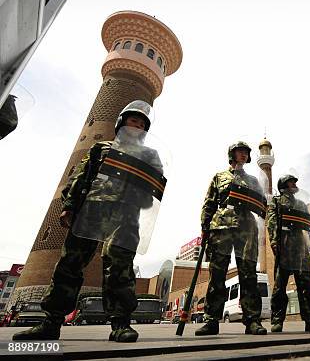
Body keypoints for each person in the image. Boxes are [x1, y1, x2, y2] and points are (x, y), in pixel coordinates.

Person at [13, 100, 162, 342]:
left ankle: (120, 324)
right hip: (92, 210)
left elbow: (153, 190)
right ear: (122, 123)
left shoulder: (149, 156)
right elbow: (80, 178)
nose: (137, 125)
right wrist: (69, 206)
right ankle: (51, 322)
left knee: (120, 269)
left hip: (125, 216)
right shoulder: (101, 148)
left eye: (142, 123)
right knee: (69, 265)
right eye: (133, 120)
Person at [196, 141, 267, 336]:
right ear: (232, 154)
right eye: (239, 152)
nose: (243, 154)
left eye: (245, 152)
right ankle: (211, 320)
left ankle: (252, 320)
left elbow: (261, 204)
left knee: (248, 274)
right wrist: (205, 228)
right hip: (221, 227)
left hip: (247, 228)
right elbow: (209, 203)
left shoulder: (253, 180)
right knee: (217, 274)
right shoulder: (220, 177)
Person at [267, 174, 310, 333]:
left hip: (300, 248)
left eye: (295, 182)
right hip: (284, 247)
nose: (294, 184)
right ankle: (277, 320)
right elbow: (272, 222)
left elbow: (307, 225)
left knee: (306, 286)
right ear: (283, 185)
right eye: (291, 182)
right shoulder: (276, 201)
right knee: (280, 286)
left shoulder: (301, 203)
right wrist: (274, 242)